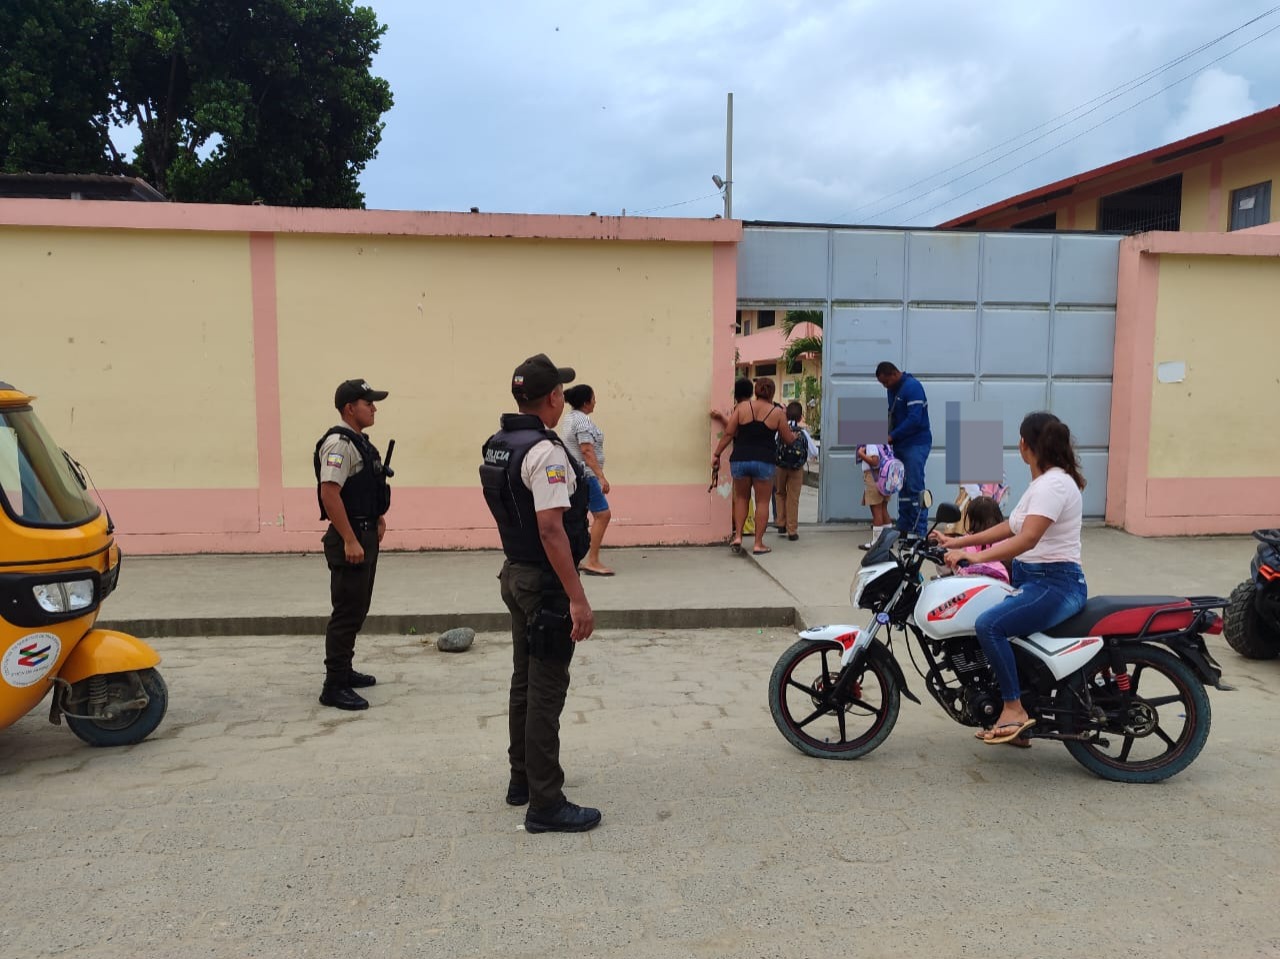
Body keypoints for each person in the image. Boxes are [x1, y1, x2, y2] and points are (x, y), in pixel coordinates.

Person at [480, 353, 601, 833]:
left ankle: (522, 780)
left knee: (524, 683)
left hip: (515, 573)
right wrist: (578, 598)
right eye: (560, 393)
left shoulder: (498, 444)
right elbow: (552, 529)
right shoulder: (545, 452)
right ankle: (546, 804)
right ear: (553, 398)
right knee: (546, 691)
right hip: (545, 582)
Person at [931, 412, 1087, 747]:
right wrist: (955, 541)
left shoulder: (1053, 485)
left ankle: (1014, 709)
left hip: (1055, 584)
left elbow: (1027, 538)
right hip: (1035, 580)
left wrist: (976, 556)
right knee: (995, 627)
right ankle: (1023, 719)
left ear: (1025, 445)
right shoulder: (1044, 484)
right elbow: (1008, 527)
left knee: (991, 625)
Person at [314, 379, 392, 711]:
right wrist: (349, 538)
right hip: (351, 538)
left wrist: (376, 518)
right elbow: (329, 493)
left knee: (358, 608)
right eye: (368, 402)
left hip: (363, 532)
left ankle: (344, 671)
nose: (374, 407)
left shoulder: (359, 442)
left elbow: (364, 488)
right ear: (350, 408)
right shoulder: (339, 444)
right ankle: (333, 686)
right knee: (347, 612)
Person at [712, 378, 795, 556]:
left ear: (755, 391)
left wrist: (717, 454)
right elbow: (788, 440)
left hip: (740, 459)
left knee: (742, 499)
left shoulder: (741, 408)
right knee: (762, 502)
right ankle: (758, 544)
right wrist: (794, 436)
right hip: (764, 461)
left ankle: (738, 537)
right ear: (772, 392)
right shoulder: (777, 413)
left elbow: (729, 433)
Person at [560, 384, 613, 576]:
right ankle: (592, 560)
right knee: (603, 515)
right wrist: (600, 476)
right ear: (586, 402)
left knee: (577, 517)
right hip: (586, 475)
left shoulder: (569, 418)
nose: (595, 401)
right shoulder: (583, 421)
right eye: (593, 398)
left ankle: (579, 558)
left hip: (575, 475)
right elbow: (586, 450)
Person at [875, 362, 932, 539]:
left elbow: (914, 420)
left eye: (885, 382)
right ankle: (905, 525)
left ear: (893, 374)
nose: (885, 386)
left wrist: (892, 436)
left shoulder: (913, 387)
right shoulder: (892, 389)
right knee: (902, 486)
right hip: (900, 445)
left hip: (916, 444)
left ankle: (919, 530)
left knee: (915, 486)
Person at [773, 400, 817, 541]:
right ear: (800, 417)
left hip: (780, 466)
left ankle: (781, 523)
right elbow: (814, 451)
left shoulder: (781, 428)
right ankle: (792, 530)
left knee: (780, 493)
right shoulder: (802, 432)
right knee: (793, 498)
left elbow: (774, 445)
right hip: (797, 468)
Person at [951, 495, 1011, 584]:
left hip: (970, 590)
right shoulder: (1009, 542)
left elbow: (945, 567)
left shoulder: (964, 543)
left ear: (971, 518)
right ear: (998, 515)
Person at [855, 443, 892, 550]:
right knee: (884, 509)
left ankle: (876, 542)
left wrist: (861, 454)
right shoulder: (883, 443)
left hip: (873, 478)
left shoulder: (871, 443)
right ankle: (888, 540)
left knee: (876, 511)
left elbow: (875, 461)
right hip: (884, 479)